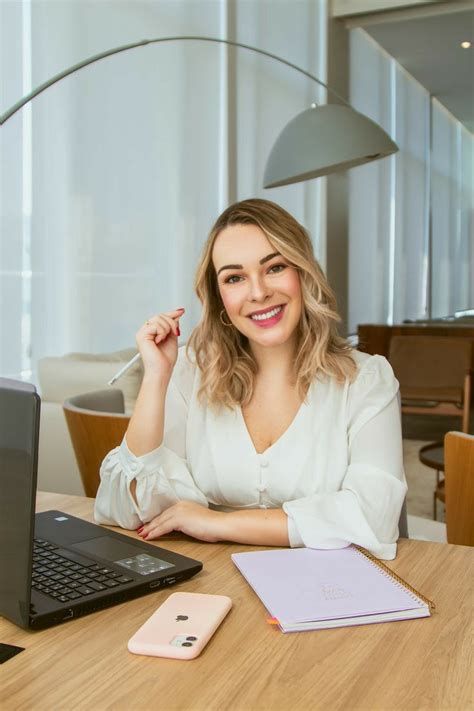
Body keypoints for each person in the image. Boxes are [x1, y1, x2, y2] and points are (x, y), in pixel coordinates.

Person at [95, 198, 406, 559]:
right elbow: (125, 507)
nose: (258, 292)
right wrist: (156, 376)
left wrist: (218, 524)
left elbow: (373, 516)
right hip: (212, 578)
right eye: (235, 277)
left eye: (274, 268)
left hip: (330, 589)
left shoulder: (367, 379)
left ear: (303, 274)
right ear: (219, 296)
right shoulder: (190, 373)